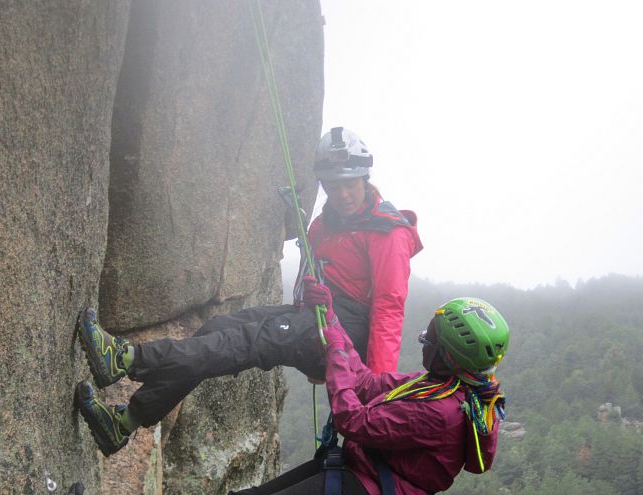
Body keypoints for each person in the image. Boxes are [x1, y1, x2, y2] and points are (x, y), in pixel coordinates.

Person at [59, 292, 510, 495]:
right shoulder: (441, 387)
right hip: (361, 476)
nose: (423, 344)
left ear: (448, 356)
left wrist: (333, 354)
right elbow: (368, 381)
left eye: (428, 340)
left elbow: (354, 417)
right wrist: (330, 320)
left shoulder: (440, 410)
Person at [75, 127, 423, 455]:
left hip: (349, 334)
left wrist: (375, 391)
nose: (343, 194)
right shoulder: (321, 224)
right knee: (218, 330)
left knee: (245, 343)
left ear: (365, 178)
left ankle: (125, 358)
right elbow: (313, 275)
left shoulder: (388, 232)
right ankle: (124, 422)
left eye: (350, 183)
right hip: (316, 317)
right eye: (333, 185)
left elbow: (388, 310)